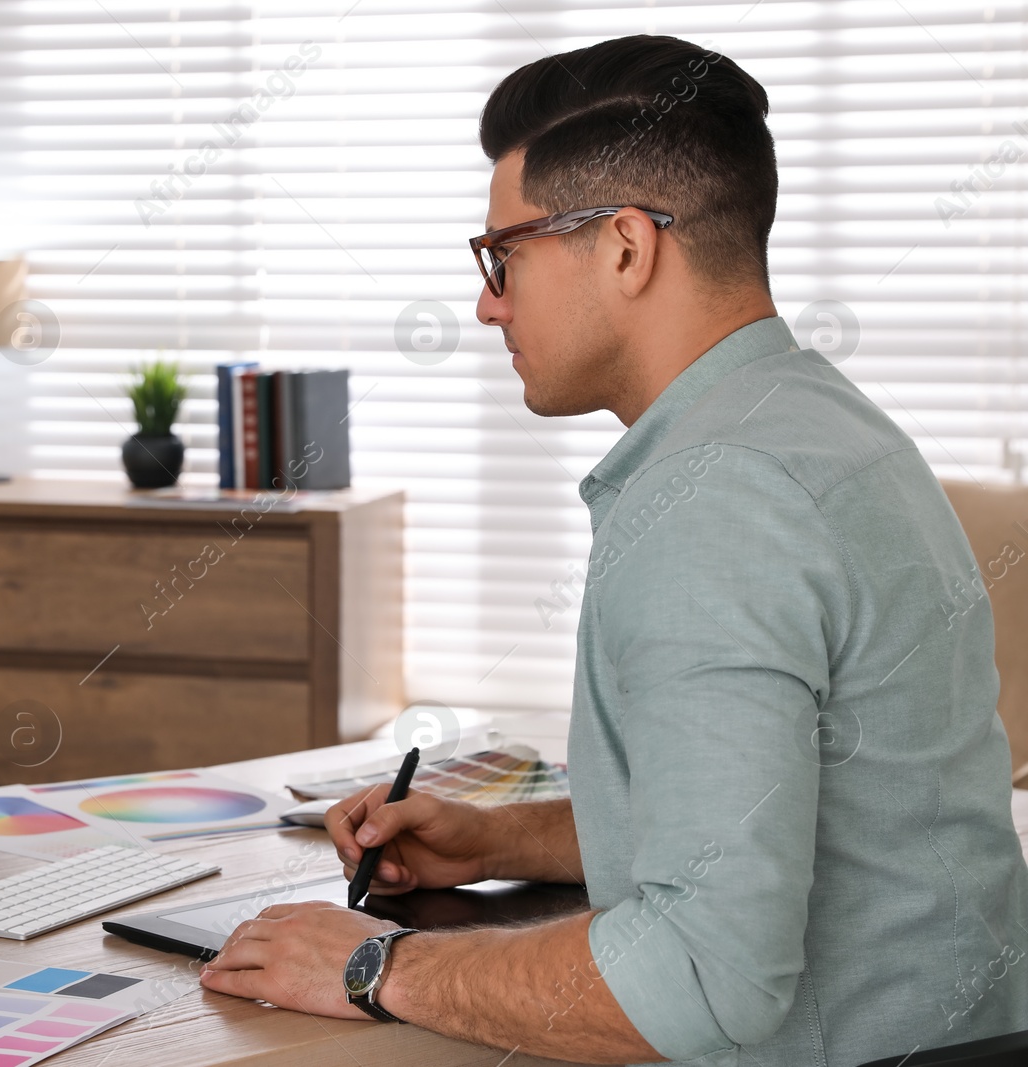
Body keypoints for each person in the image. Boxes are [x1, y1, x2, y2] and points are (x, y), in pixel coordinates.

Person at [199, 34, 1028, 1066]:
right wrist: (501, 836)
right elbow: (784, 811)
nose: (486, 300)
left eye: (505, 253)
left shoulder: (715, 501)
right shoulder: (821, 427)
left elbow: (700, 979)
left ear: (627, 247)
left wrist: (374, 965)